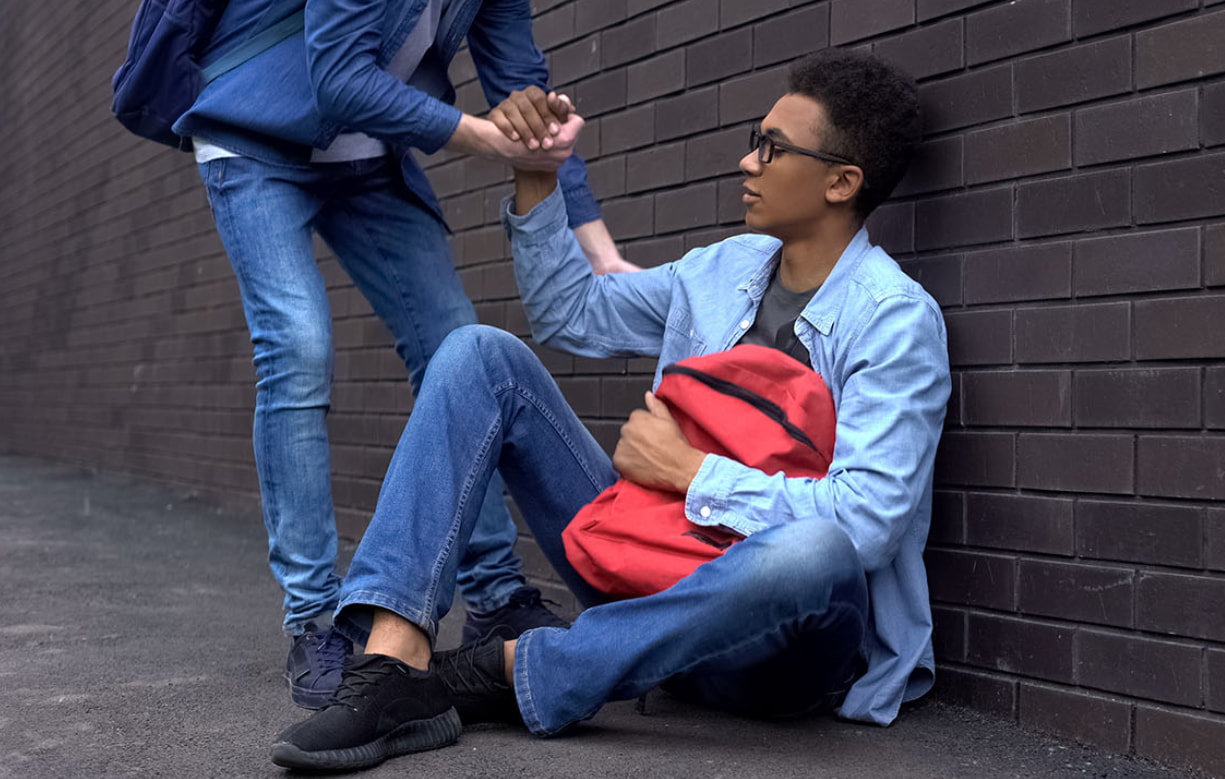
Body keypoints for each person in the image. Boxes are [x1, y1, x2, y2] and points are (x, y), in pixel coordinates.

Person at [269, 48, 950, 773]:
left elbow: (870, 521)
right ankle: (396, 665)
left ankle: (514, 669)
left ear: (842, 181)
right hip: (649, 562)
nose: (747, 163)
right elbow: (572, 314)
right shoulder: (725, 269)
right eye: (756, 138)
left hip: (777, 648)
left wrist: (692, 471)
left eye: (771, 148)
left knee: (816, 549)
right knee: (477, 354)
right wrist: (538, 178)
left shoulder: (894, 320)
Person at [171, 0, 636, 709]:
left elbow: (527, 92)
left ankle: (495, 596)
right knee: (297, 347)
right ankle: (315, 619)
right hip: (255, 140)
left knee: (454, 343)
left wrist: (601, 254)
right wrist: (484, 136)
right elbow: (337, 76)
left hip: (369, 157)